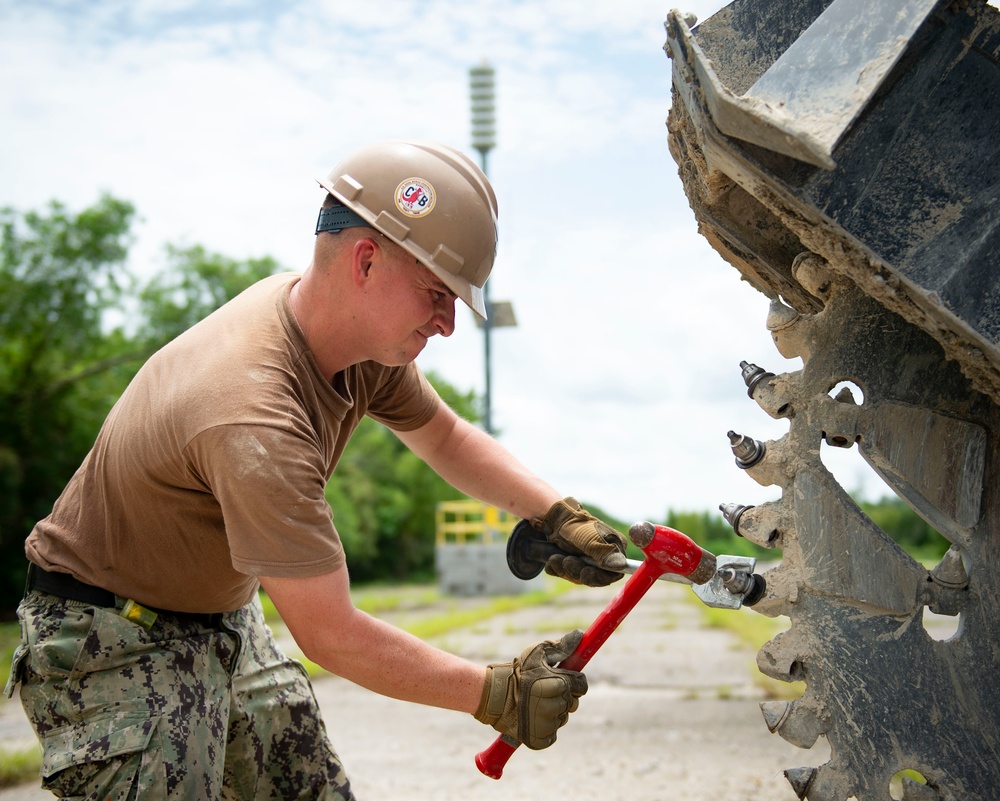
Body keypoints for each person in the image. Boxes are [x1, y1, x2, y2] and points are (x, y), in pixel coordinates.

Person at [5, 139, 628, 800]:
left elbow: (444, 434)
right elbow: (330, 631)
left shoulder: (352, 344)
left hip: (218, 619)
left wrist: (554, 513)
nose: (448, 323)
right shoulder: (254, 413)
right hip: (112, 638)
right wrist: (496, 692)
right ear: (366, 260)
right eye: (437, 293)